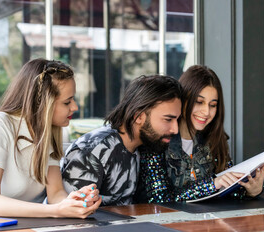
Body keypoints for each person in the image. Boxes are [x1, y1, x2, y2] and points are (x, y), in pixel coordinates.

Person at [0, 58, 101, 218]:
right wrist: (56, 211)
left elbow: (55, 194)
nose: (74, 107)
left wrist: (74, 202)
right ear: (43, 104)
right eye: (67, 102)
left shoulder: (47, 134)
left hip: (7, 228)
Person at [137, 65, 264, 203]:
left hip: (209, 222)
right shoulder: (158, 138)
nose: (206, 112)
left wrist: (251, 191)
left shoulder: (215, 138)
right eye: (199, 102)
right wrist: (212, 185)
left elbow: (230, 190)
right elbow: (159, 199)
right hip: (165, 223)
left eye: (213, 105)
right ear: (184, 100)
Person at [61, 75, 183, 205]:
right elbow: (72, 216)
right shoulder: (91, 152)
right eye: (168, 120)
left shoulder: (144, 147)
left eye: (177, 119)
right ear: (138, 117)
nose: (175, 129)